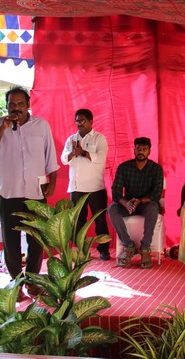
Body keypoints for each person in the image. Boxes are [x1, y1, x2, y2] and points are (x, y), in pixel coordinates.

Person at [0, 87, 59, 299]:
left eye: (20, 104)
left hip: (35, 192)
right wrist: (4, 128)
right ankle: (16, 283)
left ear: (28, 105)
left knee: (36, 239)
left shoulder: (41, 125)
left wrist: (53, 182)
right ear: (7, 106)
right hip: (9, 192)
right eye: (12, 104)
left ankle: (33, 283)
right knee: (11, 241)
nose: (16, 108)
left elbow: (50, 156)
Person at [60, 109, 110, 260]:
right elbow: (63, 159)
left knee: (100, 220)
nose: (79, 124)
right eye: (77, 121)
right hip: (76, 188)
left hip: (96, 188)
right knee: (78, 221)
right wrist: (73, 152)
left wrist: (82, 152)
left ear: (90, 121)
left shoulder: (99, 139)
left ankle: (104, 250)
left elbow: (100, 158)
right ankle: (81, 250)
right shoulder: (71, 139)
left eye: (82, 121)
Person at [108, 137, 163, 269]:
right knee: (112, 209)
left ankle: (145, 248)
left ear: (149, 151)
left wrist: (140, 201)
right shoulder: (124, 167)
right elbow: (116, 192)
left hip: (145, 203)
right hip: (128, 204)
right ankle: (128, 245)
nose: (141, 152)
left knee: (153, 208)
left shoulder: (156, 169)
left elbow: (156, 193)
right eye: (138, 149)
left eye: (144, 149)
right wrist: (125, 203)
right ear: (134, 150)